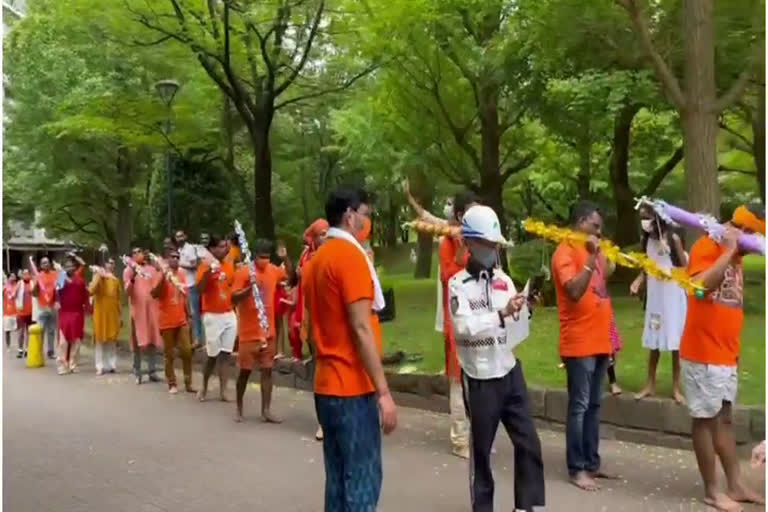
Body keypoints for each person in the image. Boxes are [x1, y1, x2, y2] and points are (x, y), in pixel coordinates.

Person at [304, 185, 397, 511]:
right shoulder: (349, 257)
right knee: (362, 480)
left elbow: (314, 328)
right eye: (366, 214)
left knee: (338, 478)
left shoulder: (316, 262)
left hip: (326, 386)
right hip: (352, 388)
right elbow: (360, 327)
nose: (367, 221)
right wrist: (383, 392)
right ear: (349, 215)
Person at [448, 205, 545, 512]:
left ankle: (528, 507)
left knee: (529, 444)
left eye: (495, 245)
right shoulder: (457, 285)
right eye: (488, 244)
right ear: (469, 243)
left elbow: (514, 332)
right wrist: (500, 314)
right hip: (479, 380)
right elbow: (463, 327)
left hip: (509, 372)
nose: (493, 250)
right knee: (481, 454)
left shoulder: (504, 279)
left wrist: (523, 309)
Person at [679, 204, 765, 511]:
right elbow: (700, 288)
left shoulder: (738, 256)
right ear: (746, 231)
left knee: (725, 419)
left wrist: (735, 351)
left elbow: (730, 305)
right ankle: (712, 490)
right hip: (702, 352)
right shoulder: (707, 245)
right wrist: (728, 252)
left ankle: (735, 484)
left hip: (726, 353)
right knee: (705, 420)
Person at [552, 201, 617, 492]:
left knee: (594, 405)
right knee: (578, 406)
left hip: (601, 339)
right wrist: (591, 259)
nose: (599, 232)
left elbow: (603, 284)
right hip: (579, 342)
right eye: (595, 226)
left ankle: (592, 463)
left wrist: (605, 258)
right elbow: (575, 291)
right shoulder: (564, 251)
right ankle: (576, 468)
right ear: (580, 223)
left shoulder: (594, 250)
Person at [630, 205, 688, 403]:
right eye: (641, 218)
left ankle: (676, 388)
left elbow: (684, 267)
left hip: (672, 296)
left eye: (646, 217)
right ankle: (650, 384)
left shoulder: (673, 238)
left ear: (657, 218)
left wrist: (670, 273)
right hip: (656, 297)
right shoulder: (646, 240)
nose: (643, 222)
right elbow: (647, 266)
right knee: (654, 340)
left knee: (675, 342)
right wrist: (638, 281)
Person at [438, 191, 478, 459]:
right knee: (457, 380)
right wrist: (462, 249)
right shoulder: (447, 241)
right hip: (457, 319)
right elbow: (448, 277)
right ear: (461, 215)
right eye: (472, 211)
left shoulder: (482, 240)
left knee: (477, 378)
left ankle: (478, 435)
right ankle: (460, 439)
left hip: (480, 318)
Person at [196, 234, 237, 402]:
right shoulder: (204, 266)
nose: (225, 249)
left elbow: (231, 286)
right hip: (212, 315)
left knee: (226, 355)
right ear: (212, 249)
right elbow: (199, 289)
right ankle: (204, 386)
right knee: (212, 356)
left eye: (225, 246)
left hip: (229, 314)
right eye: (220, 246)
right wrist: (208, 272)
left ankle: (223, 390)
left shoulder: (228, 266)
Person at [151, 248, 195, 394]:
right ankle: (172, 383)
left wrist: (190, 315)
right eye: (172, 257)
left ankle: (188, 383)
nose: (175, 259)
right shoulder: (160, 274)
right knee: (169, 354)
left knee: (187, 351)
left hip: (181, 319)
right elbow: (154, 294)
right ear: (167, 260)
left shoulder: (182, 274)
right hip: (166, 321)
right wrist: (164, 278)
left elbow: (185, 295)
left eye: (177, 257)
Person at [123, 247, 163, 385]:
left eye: (138, 252)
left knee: (151, 339)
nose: (137, 254)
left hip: (151, 310)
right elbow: (127, 291)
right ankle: (137, 371)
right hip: (137, 311)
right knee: (137, 341)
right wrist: (133, 275)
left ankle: (152, 371)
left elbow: (157, 286)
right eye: (133, 253)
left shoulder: (151, 269)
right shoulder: (128, 270)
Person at [292, 219, 329, 361]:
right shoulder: (306, 254)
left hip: (326, 299)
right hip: (309, 298)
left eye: (327, 233)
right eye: (322, 234)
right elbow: (298, 274)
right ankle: (315, 358)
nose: (325, 238)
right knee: (310, 330)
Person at [56, 257, 89, 375]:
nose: (70, 268)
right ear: (64, 268)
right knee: (63, 341)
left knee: (77, 340)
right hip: (65, 312)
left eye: (72, 266)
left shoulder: (80, 280)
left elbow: (85, 295)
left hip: (77, 312)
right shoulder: (61, 277)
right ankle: (62, 365)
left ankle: (73, 364)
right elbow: (57, 291)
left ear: (75, 268)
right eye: (67, 266)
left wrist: (88, 308)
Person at [89, 258, 122, 375]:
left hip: (112, 314)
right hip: (100, 314)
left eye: (113, 263)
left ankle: (111, 364)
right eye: (109, 263)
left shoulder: (116, 281)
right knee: (100, 340)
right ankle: (99, 366)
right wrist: (98, 276)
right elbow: (91, 290)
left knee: (112, 340)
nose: (111, 265)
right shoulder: (99, 278)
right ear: (105, 265)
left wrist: (120, 315)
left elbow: (118, 299)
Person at [176, 230, 204, 351]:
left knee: (195, 313)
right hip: (182, 285)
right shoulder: (179, 251)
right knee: (185, 313)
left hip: (192, 284)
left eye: (181, 236)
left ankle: (198, 339)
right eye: (177, 237)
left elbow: (195, 266)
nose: (179, 238)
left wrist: (180, 265)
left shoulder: (189, 249)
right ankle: (189, 339)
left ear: (185, 236)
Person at [31, 256, 59, 359]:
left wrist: (57, 301)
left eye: (47, 262)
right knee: (40, 330)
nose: (45, 264)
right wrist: (35, 287)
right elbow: (34, 294)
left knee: (51, 330)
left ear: (50, 264)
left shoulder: (55, 274)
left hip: (52, 307)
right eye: (43, 263)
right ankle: (38, 351)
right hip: (42, 307)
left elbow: (59, 288)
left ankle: (50, 352)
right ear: (41, 266)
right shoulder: (38, 276)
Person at [15, 269, 33, 358]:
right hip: (21, 312)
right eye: (24, 274)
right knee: (21, 332)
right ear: (22, 275)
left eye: (27, 273)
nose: (26, 275)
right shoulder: (19, 283)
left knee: (29, 332)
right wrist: (16, 289)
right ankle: (20, 350)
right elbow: (13, 295)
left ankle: (27, 349)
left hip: (31, 312)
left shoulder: (32, 283)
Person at [4, 272, 19, 352]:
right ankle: (8, 346)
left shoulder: (18, 286)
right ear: (8, 278)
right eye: (12, 276)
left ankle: (18, 345)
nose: (14, 277)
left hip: (17, 312)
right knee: (7, 331)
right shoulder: (4, 287)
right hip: (7, 313)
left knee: (19, 330)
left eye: (14, 276)